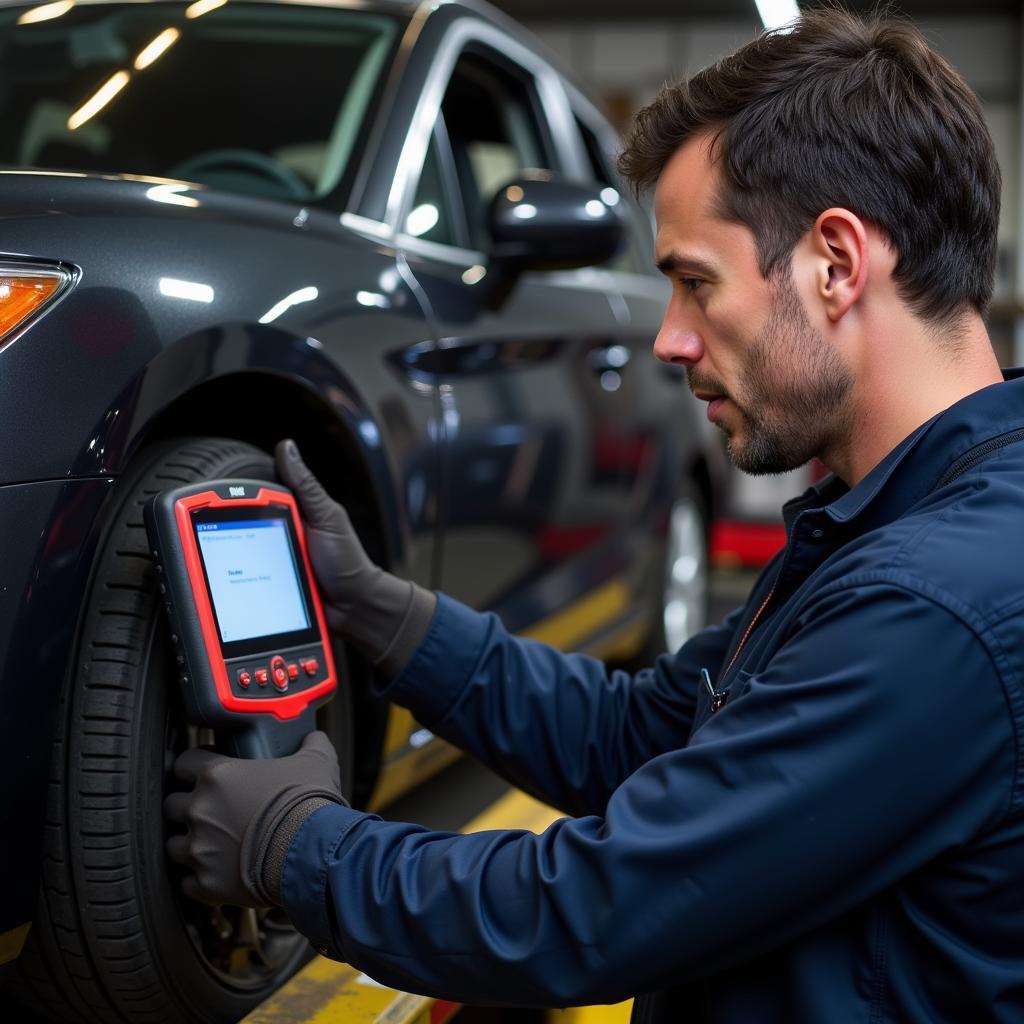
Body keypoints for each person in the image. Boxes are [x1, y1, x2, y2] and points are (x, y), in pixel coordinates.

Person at [165, 10, 1024, 1022]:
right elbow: (639, 735)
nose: (665, 339)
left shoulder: (935, 605)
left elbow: (592, 908)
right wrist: (393, 620)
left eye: (694, 284)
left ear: (835, 263)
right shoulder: (889, 523)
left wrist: (296, 847)